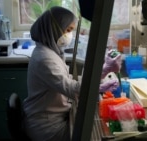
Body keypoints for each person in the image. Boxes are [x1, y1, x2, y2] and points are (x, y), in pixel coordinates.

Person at [23, 6, 122, 141]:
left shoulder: (50, 51)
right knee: (93, 133)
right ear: (54, 28)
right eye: (68, 30)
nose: (69, 35)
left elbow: (68, 81)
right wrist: (103, 71)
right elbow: (72, 89)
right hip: (47, 126)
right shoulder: (45, 58)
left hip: (54, 116)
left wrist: (100, 79)